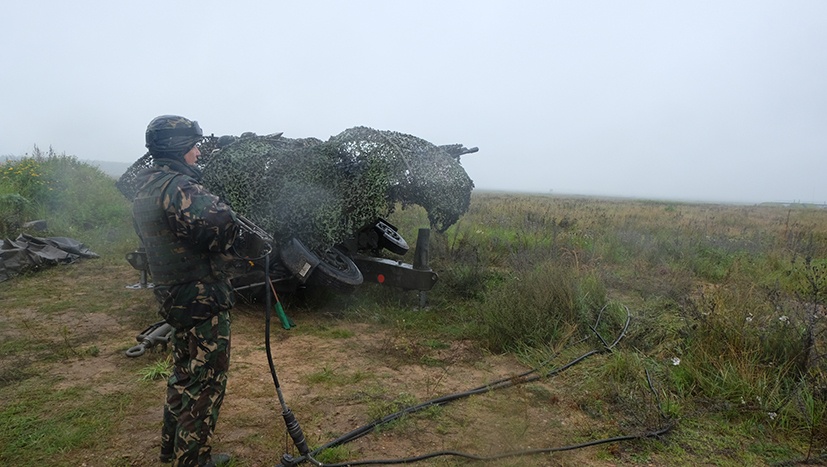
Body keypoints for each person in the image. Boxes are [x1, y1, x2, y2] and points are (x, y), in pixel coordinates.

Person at [132, 115, 240, 467]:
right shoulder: (179, 188)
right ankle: (192, 461)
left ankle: (171, 451)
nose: (197, 153)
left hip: (173, 297)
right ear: (179, 149)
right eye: (192, 146)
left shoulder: (146, 188)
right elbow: (221, 225)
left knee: (182, 376)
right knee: (205, 383)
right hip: (201, 299)